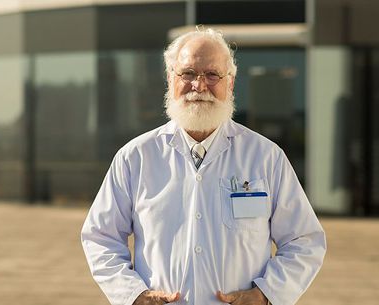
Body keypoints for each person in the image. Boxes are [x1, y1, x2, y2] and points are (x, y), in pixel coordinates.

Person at [81, 28, 326, 305]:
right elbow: (100, 237)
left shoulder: (266, 157)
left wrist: (267, 294)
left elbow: (305, 240)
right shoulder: (135, 157)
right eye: (187, 74)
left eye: (212, 75)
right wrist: (132, 294)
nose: (199, 86)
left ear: (230, 84)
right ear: (171, 79)